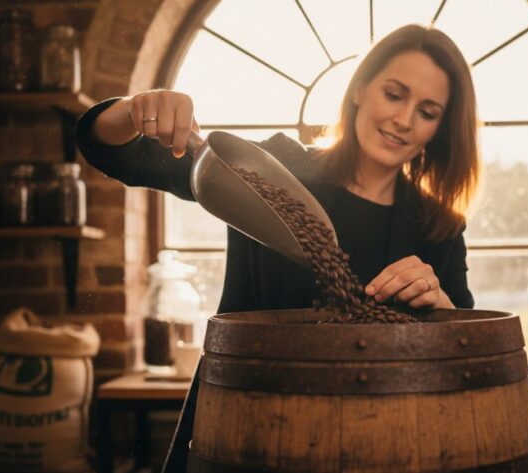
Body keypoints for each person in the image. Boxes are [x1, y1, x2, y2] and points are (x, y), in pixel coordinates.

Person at [77, 23, 480, 313]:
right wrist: (134, 111)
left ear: (439, 129)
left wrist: (439, 301)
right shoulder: (272, 170)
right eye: (394, 95)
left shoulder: (439, 226)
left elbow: (468, 344)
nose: (404, 120)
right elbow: (116, 155)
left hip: (390, 424)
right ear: (359, 89)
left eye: (427, 112)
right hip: (251, 404)